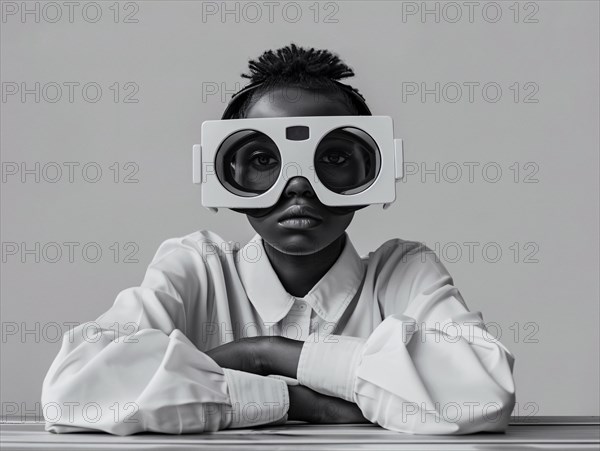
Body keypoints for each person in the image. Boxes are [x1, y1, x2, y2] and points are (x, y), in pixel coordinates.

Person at [41, 43, 516, 436]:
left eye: (332, 158)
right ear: (225, 175)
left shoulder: (402, 272)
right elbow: (73, 391)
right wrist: (296, 398)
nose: (299, 185)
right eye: (264, 161)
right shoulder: (197, 267)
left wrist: (269, 354)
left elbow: (482, 396)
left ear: (372, 172)